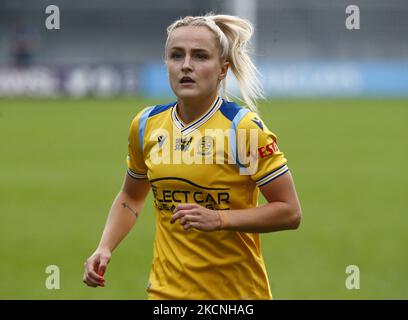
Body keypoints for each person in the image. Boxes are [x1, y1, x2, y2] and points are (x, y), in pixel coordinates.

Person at [83, 13, 302, 300]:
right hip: (165, 294)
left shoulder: (242, 129)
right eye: (176, 56)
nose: (186, 65)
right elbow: (131, 196)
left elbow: (289, 211)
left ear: (222, 70)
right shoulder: (147, 125)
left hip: (235, 297)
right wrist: (105, 246)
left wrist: (220, 219)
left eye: (200, 56)